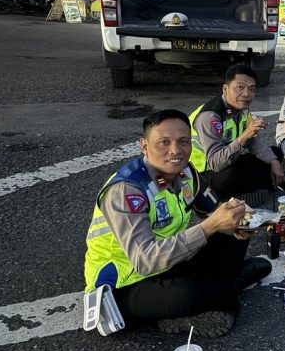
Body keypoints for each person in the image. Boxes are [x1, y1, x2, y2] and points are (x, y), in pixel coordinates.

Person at [83, 110, 271, 337]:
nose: (175, 150)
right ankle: (215, 293)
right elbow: (145, 260)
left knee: (231, 235)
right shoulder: (127, 190)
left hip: (169, 261)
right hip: (125, 284)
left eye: (183, 141)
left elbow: (213, 211)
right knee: (190, 292)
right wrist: (211, 225)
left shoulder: (186, 172)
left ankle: (221, 288)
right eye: (164, 142)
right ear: (144, 146)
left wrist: (236, 223)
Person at [189, 65, 285, 202]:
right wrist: (244, 137)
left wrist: (274, 162)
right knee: (233, 176)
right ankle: (267, 183)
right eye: (240, 87)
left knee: (276, 153)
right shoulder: (210, 117)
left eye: (251, 89)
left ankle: (265, 180)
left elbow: (253, 141)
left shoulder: (242, 108)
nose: (246, 94)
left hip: (230, 159)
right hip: (204, 174)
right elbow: (216, 163)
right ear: (225, 89)